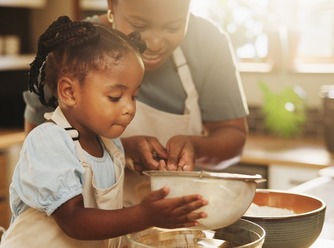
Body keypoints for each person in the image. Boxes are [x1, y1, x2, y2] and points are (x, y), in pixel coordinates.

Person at [0, 16, 208, 248]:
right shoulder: (48, 141)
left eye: (134, 96)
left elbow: (107, 220)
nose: (130, 108)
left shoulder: (110, 146)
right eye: (115, 97)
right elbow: (74, 221)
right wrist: (144, 215)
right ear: (69, 92)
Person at [23, 0, 249, 205]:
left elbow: (233, 136)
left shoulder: (209, 43)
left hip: (173, 222)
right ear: (112, 5)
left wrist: (196, 148)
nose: (154, 42)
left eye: (173, 27)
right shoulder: (70, 51)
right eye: (139, 25)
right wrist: (121, 153)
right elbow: (41, 154)